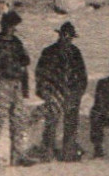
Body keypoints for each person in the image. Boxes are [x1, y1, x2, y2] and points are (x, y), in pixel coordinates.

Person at [36, 21, 87, 161]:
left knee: (71, 122)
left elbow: (82, 76)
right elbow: (41, 74)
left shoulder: (76, 53)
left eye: (70, 37)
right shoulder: (49, 52)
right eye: (65, 35)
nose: (67, 39)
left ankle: (68, 152)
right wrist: (45, 91)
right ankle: (47, 152)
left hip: (71, 93)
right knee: (51, 122)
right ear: (60, 35)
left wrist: (78, 93)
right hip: (54, 92)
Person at [0, 11, 33, 166]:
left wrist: (24, 87)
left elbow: (25, 62)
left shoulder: (17, 42)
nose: (12, 29)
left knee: (19, 120)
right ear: (3, 25)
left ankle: (18, 155)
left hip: (16, 83)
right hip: (1, 83)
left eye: (14, 26)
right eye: (10, 25)